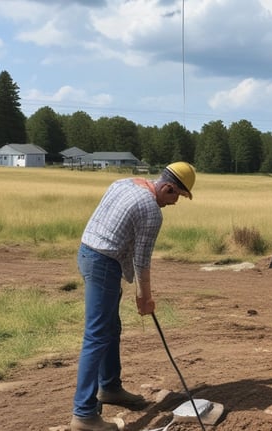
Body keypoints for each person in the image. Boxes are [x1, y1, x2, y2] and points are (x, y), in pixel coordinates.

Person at [70, 162, 196, 431]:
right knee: (96, 335)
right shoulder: (152, 210)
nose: (175, 203)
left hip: (88, 253)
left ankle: (110, 388)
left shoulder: (124, 183)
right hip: (103, 262)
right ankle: (83, 414)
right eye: (177, 197)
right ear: (168, 187)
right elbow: (142, 261)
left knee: (110, 328)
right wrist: (145, 298)